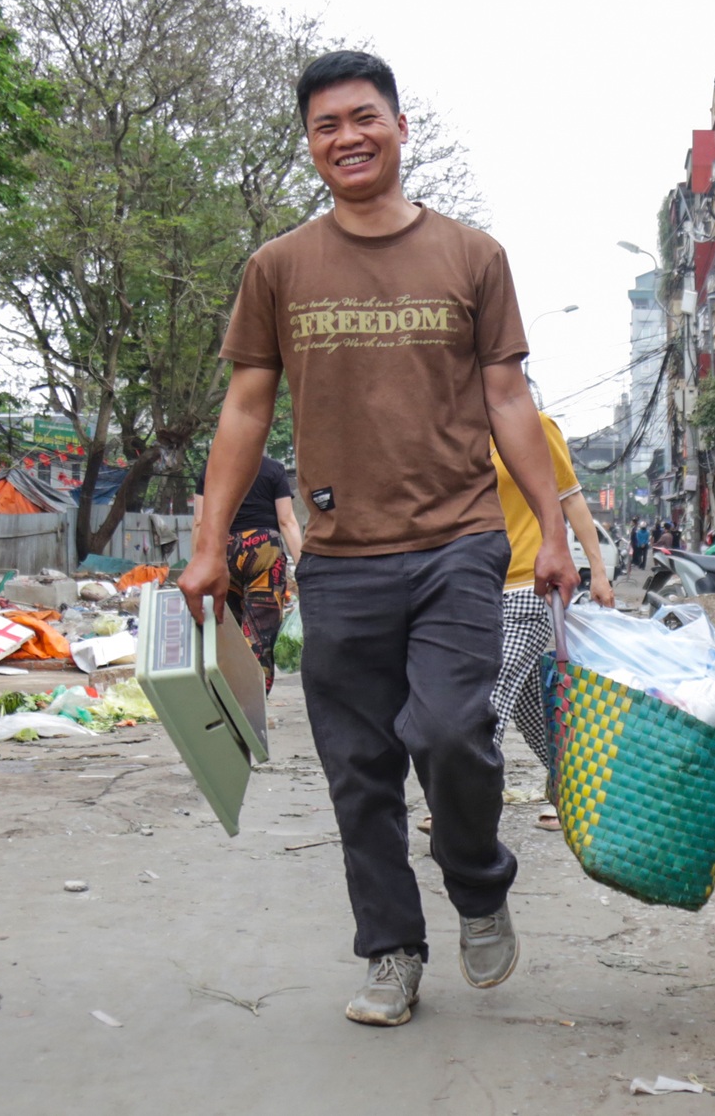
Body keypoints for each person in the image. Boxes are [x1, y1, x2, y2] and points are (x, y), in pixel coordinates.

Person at [180, 50, 579, 1029]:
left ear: (401, 128)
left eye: (364, 117)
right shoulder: (279, 267)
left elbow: (509, 400)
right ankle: (392, 949)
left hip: (457, 540)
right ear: (311, 145)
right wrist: (203, 544)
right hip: (341, 553)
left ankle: (478, 881)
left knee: (451, 731)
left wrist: (559, 528)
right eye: (326, 126)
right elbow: (243, 409)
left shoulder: (472, 256)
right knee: (357, 767)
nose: (347, 137)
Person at [488, 407, 614, 830]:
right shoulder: (453, 427)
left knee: (488, 695)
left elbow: (571, 496)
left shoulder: (533, 425)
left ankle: (459, 802)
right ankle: (583, 789)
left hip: (530, 585)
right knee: (528, 707)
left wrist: (597, 570)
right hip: (473, 588)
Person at [189, 455, 301, 692]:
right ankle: (254, 704)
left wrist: (197, 564)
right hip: (263, 552)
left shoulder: (212, 466)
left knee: (226, 632)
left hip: (223, 550)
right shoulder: (274, 469)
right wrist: (304, 567)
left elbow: (199, 521)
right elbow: (287, 520)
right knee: (260, 635)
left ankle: (227, 700)